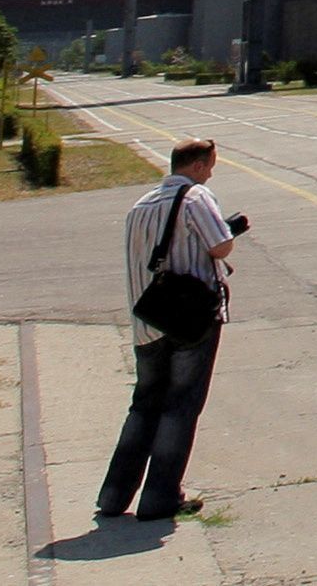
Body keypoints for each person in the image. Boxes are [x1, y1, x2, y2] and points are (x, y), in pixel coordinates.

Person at [96, 139, 245, 524]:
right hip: (187, 318)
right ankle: (160, 496)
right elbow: (220, 246)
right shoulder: (196, 197)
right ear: (195, 166)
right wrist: (229, 231)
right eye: (209, 166)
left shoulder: (140, 205)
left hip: (147, 319)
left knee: (144, 404)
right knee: (180, 405)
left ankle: (114, 495)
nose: (210, 173)